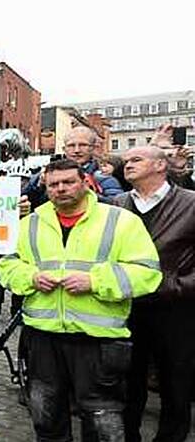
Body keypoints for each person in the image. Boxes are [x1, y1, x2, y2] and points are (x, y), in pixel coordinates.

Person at [0, 158, 162, 442]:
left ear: (85, 183)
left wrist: (95, 281)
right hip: (42, 336)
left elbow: (147, 273)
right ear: (46, 187)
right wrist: (31, 277)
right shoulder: (30, 223)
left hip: (98, 339)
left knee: (102, 419)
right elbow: (7, 265)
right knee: (45, 416)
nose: (61, 189)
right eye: (53, 184)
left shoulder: (120, 221)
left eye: (68, 182)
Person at [114, 147, 195, 442]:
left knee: (176, 383)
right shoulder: (119, 203)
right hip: (128, 306)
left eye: (136, 159)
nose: (128, 164)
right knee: (127, 381)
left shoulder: (191, 204)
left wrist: (176, 285)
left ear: (161, 165)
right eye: (126, 160)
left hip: (176, 309)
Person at [23, 126, 124, 207]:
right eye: (71, 146)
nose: (76, 150)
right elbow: (23, 200)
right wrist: (38, 186)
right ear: (64, 149)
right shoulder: (45, 174)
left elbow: (117, 205)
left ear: (92, 148)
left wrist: (87, 193)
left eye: (83, 145)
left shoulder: (103, 177)